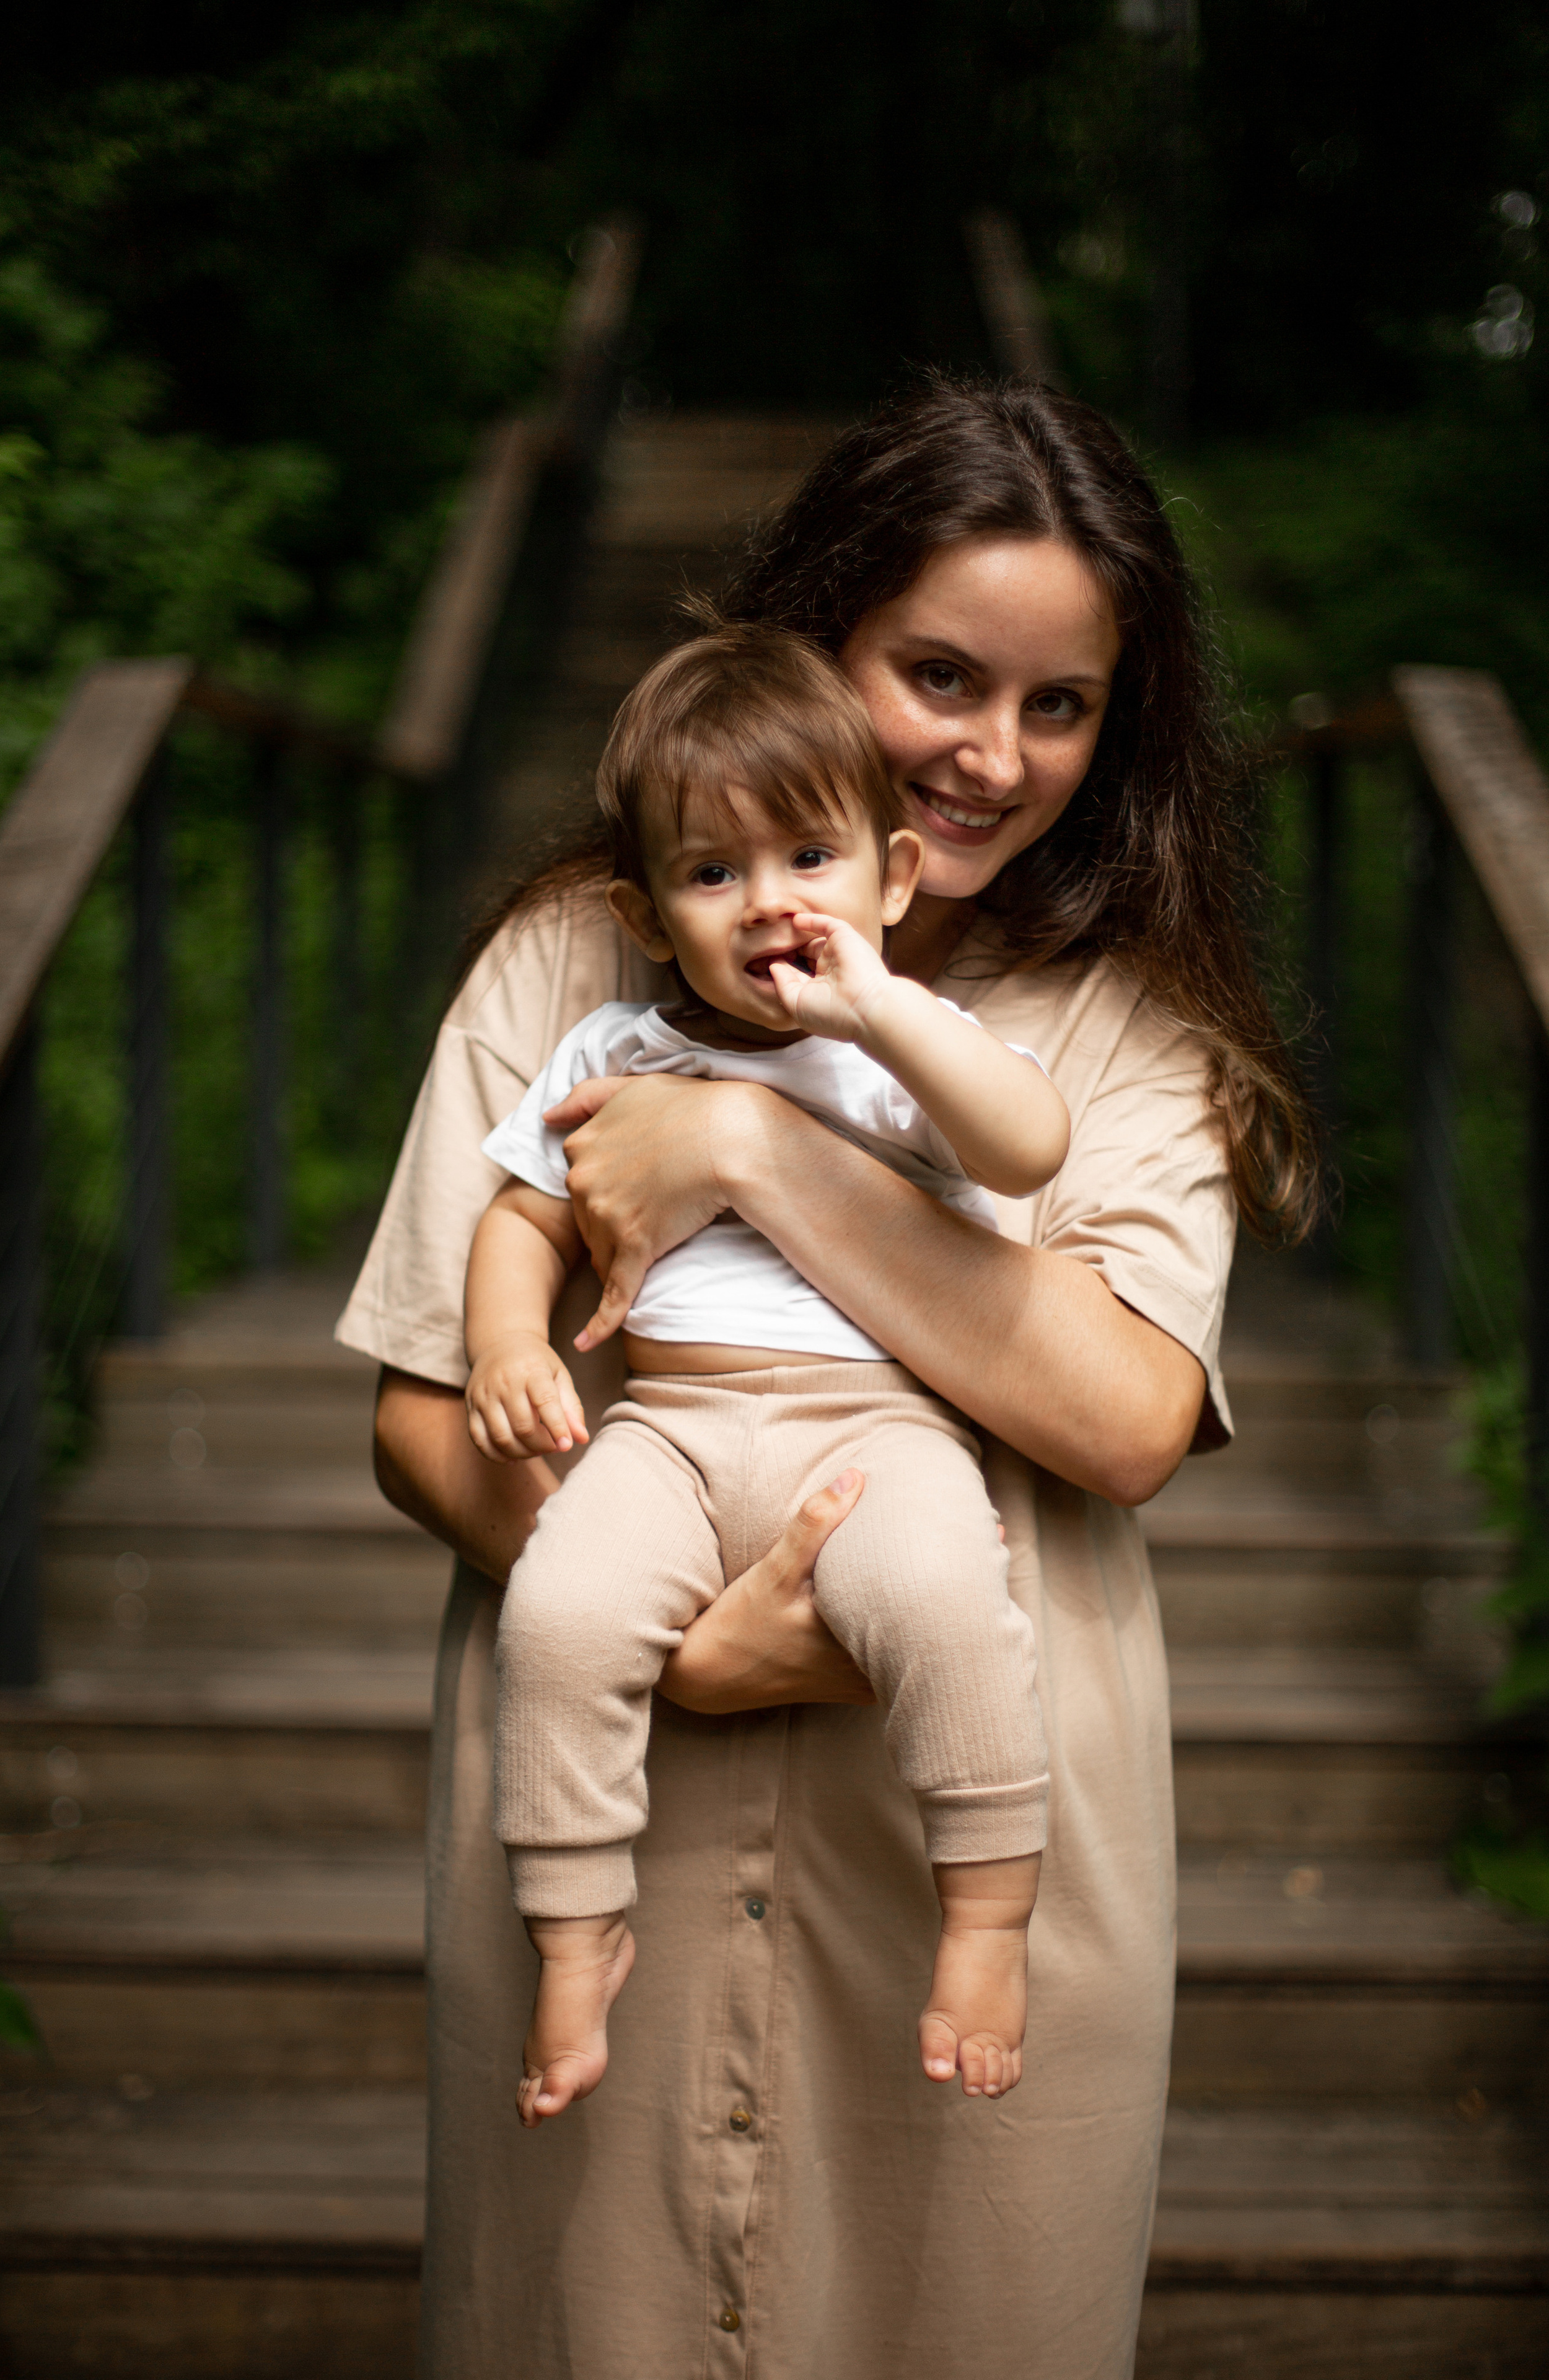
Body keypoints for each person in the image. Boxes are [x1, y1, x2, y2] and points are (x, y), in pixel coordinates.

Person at [338, 372, 1317, 2379]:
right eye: (940, 674)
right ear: (813, 649)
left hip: (971, 1813)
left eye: (1062, 705)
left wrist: (758, 1152)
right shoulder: (567, 964)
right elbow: (427, 1407)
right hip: (608, 1789)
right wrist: (685, 1634)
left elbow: (1127, 1417)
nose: (994, 755)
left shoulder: (1131, 1036)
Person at [466, 623, 1069, 2127]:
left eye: (810, 856)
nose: (770, 905)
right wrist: (501, 1344)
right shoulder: (615, 1047)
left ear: (891, 878)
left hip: (873, 1434)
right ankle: (574, 1924)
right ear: (649, 912)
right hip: (666, 1428)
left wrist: (882, 1012)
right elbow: (520, 1218)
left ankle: (986, 1924)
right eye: (713, 872)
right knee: (553, 1610)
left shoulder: (895, 1048)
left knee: (944, 1604)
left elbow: (1025, 1147)